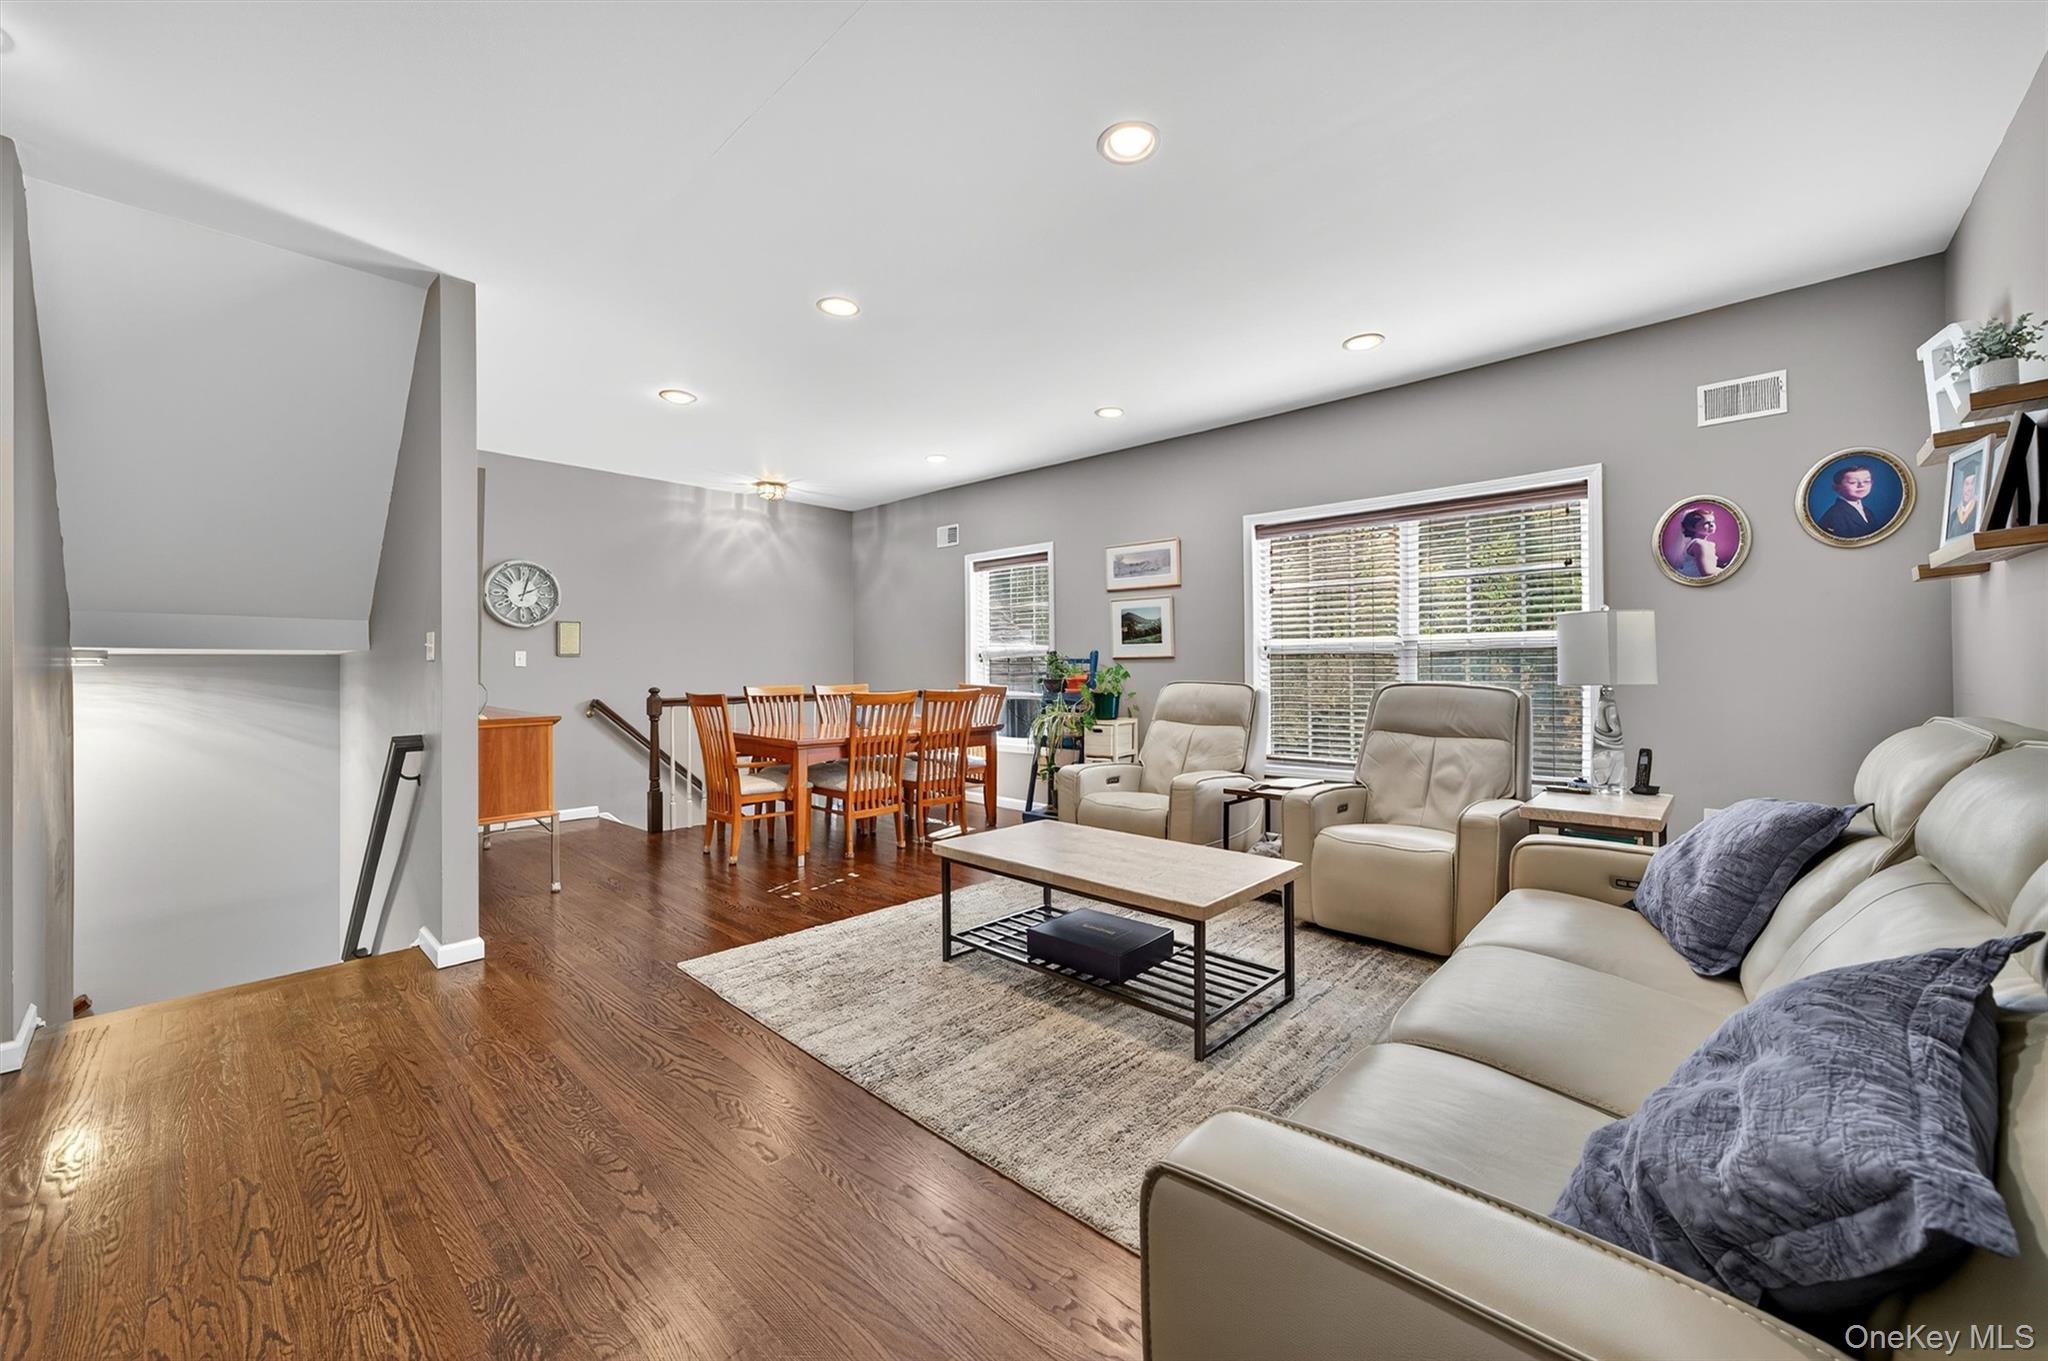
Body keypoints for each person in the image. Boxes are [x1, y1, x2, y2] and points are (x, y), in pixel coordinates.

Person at [1816, 463, 1883, 539]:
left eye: (1866, 481)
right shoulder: (1835, 515)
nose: (1861, 485)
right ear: (1837, 487)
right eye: (1852, 482)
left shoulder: (1867, 511)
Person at [1673, 507, 1721, 578]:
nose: (1711, 525)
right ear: (1692, 527)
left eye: (1713, 522)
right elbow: (1707, 573)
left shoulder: (1706, 543)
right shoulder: (1698, 544)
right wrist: (1725, 570)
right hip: (1696, 577)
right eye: (1706, 523)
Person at [1949, 468, 1981, 538]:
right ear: (1962, 487)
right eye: (1966, 484)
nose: (1969, 488)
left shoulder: (1979, 510)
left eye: (1972, 484)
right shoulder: (1954, 515)